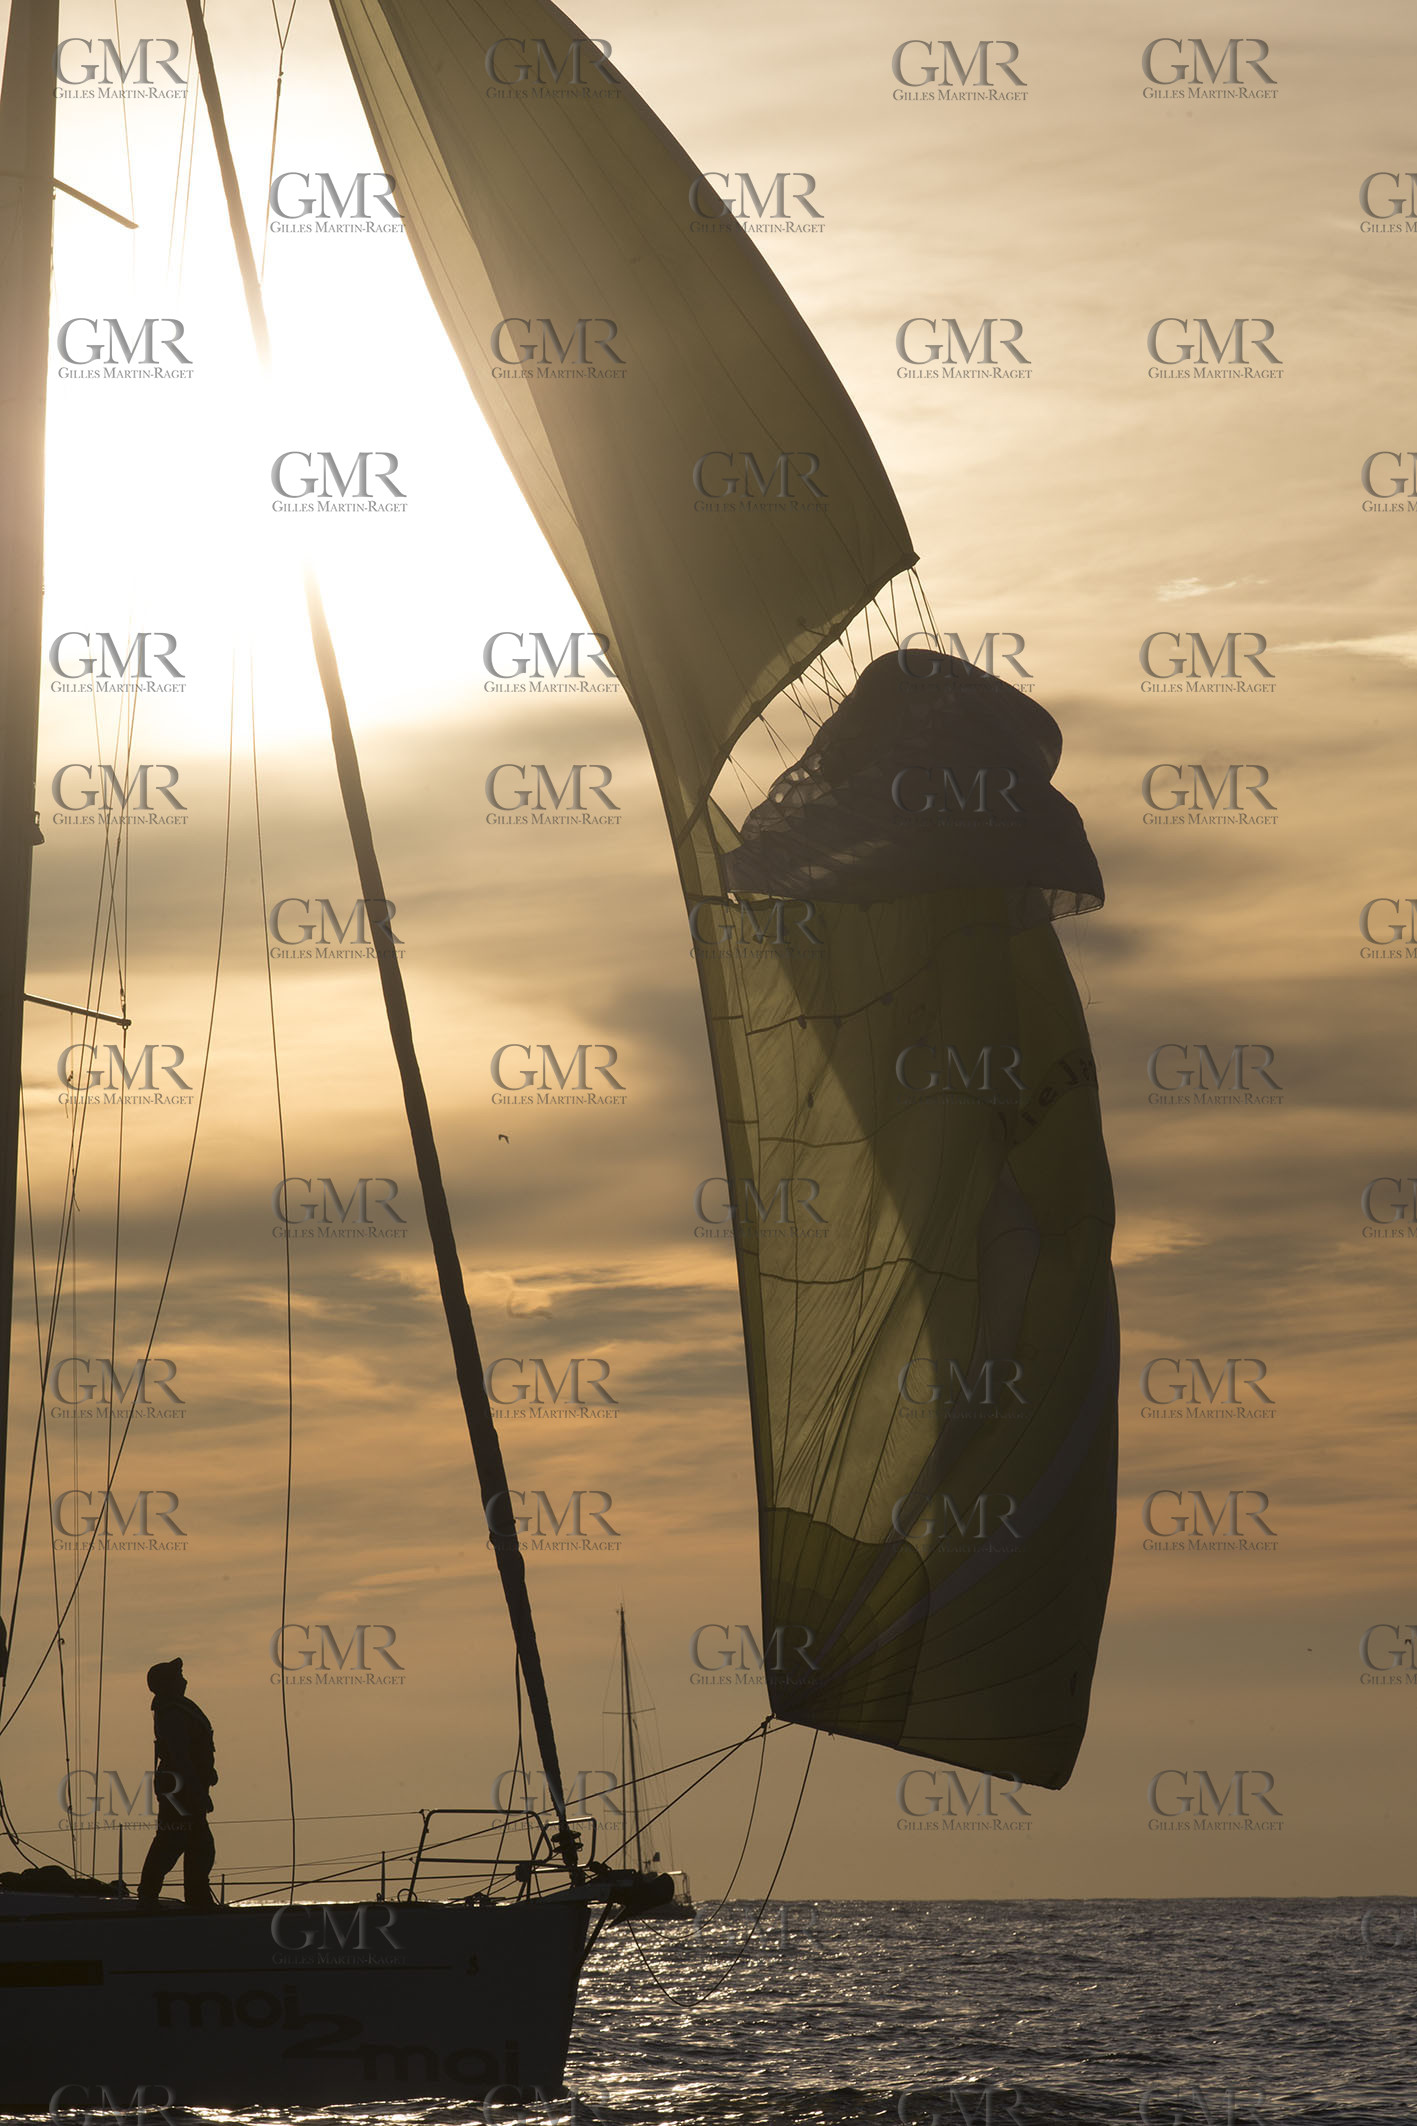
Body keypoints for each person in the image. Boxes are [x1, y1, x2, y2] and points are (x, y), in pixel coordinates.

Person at [137, 1657, 219, 1909]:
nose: (184, 1679)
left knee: (198, 1844)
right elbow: (180, 1755)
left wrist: (207, 1773)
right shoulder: (171, 1713)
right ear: (168, 1684)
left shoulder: (177, 1708)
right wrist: (196, 1789)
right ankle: (149, 1895)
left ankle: (198, 1899)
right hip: (179, 1788)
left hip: (186, 1784)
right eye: (179, 1675)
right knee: (172, 1841)